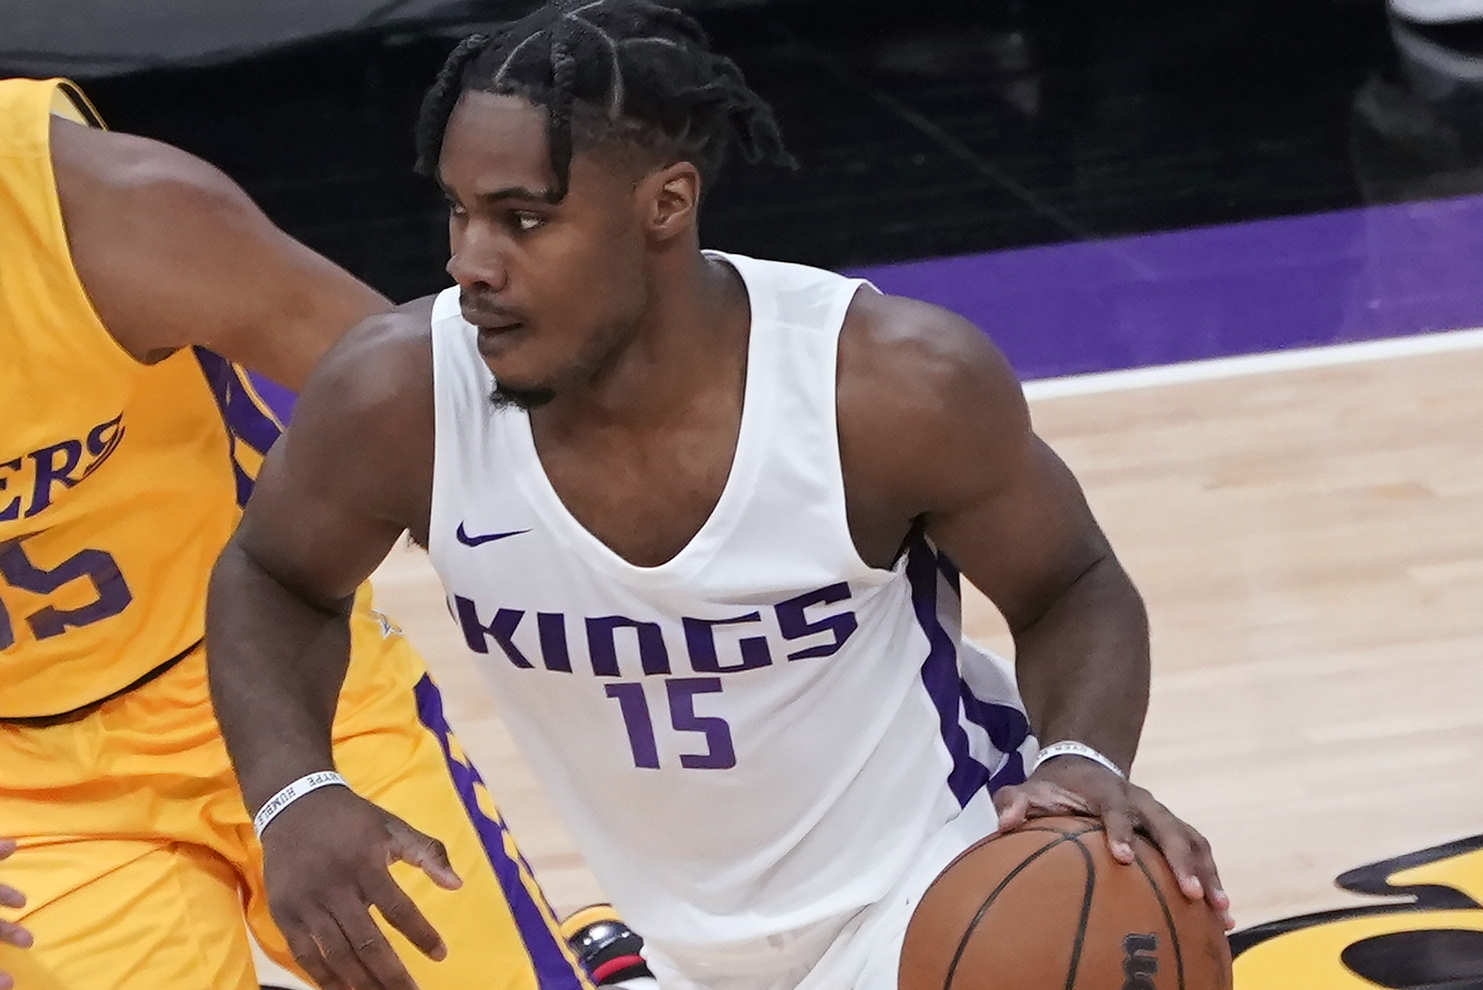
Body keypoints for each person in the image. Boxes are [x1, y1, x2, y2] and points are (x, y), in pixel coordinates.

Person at [204, 4, 1235, 990]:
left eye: (525, 219)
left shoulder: (884, 385)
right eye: (462, 211)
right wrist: (296, 793)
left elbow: (1071, 583)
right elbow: (272, 575)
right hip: (687, 943)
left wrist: (1081, 758)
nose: (469, 262)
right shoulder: (399, 397)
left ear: (665, 203)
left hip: (940, 890)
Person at [0, 76, 602, 990]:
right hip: (27, 790)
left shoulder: (112, 212)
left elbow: (423, 400)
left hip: (270, 677)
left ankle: (583, 941)